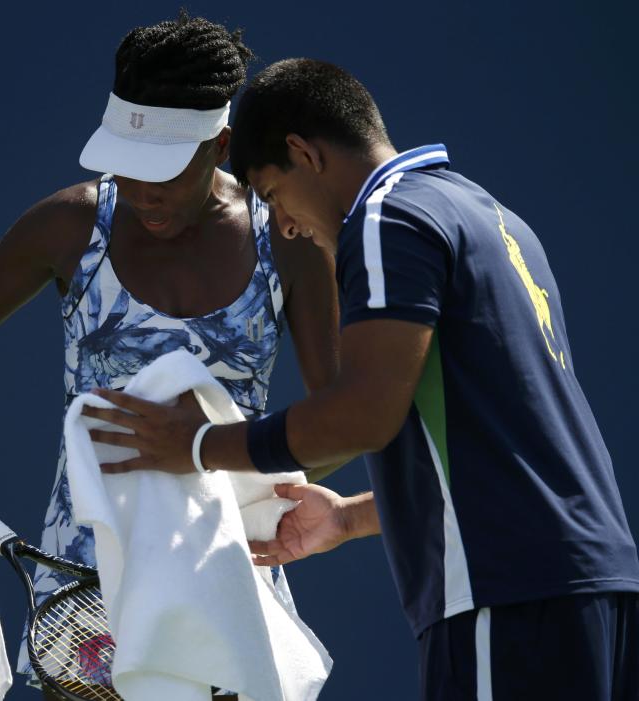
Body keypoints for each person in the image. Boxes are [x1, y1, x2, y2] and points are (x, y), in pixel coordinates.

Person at [82, 59, 639, 700]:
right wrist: (349, 519)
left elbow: (363, 413)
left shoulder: (383, 220)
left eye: (273, 196)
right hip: (590, 588)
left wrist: (201, 447)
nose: (285, 225)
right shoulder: (492, 216)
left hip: (506, 599)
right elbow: (500, 447)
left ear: (303, 154)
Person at [0, 13, 338, 696]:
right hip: (83, 590)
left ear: (218, 146)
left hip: (230, 577)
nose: (139, 191)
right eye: (124, 166)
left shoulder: (284, 239)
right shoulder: (70, 226)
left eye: (160, 170)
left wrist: (223, 456)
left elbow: (338, 418)